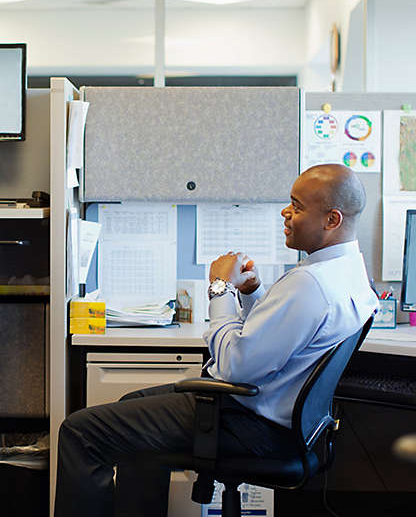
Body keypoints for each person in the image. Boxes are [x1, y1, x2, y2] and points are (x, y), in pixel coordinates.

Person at [54, 163, 379, 517]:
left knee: (80, 432)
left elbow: (234, 366)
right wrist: (253, 294)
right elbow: (278, 338)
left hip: (251, 423)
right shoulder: (348, 274)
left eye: (297, 206)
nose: (286, 212)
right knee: (131, 412)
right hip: (287, 424)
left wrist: (219, 289)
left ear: (332, 220)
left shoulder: (310, 283)